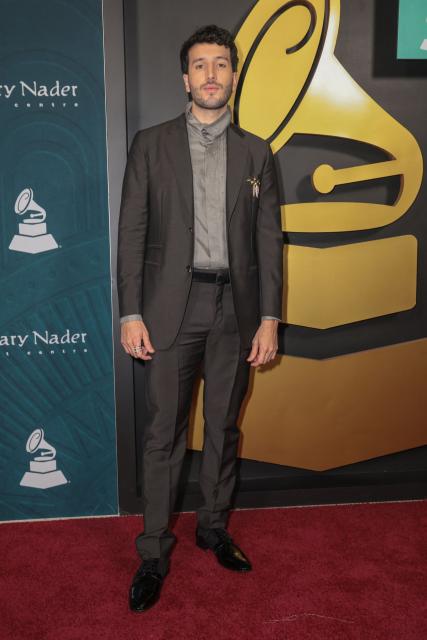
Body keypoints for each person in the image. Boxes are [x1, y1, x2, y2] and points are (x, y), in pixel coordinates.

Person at [117, 24, 283, 613]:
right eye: (200, 65)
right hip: (168, 310)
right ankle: (154, 550)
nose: (211, 75)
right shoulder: (150, 143)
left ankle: (212, 528)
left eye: (221, 65)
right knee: (163, 434)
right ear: (184, 78)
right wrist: (130, 311)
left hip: (235, 312)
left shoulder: (257, 151)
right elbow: (132, 233)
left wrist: (269, 318)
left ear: (234, 77)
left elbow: (269, 242)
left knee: (223, 429)